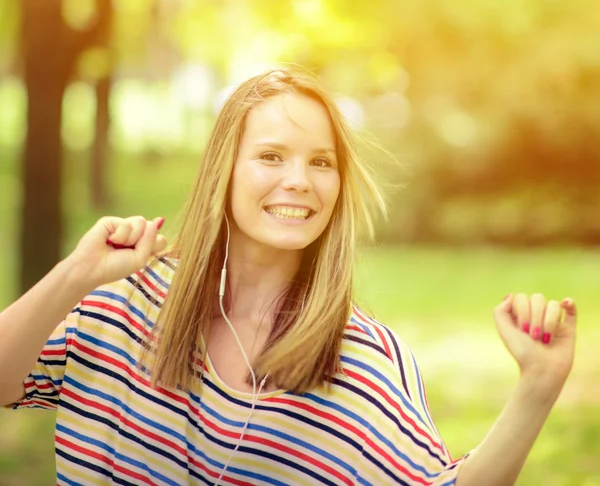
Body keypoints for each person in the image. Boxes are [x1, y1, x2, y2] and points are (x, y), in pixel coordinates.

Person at [0, 69, 576, 486]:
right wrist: (75, 274)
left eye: (320, 162)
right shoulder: (127, 302)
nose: (300, 180)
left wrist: (537, 388)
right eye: (272, 156)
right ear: (223, 171)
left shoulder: (363, 359)